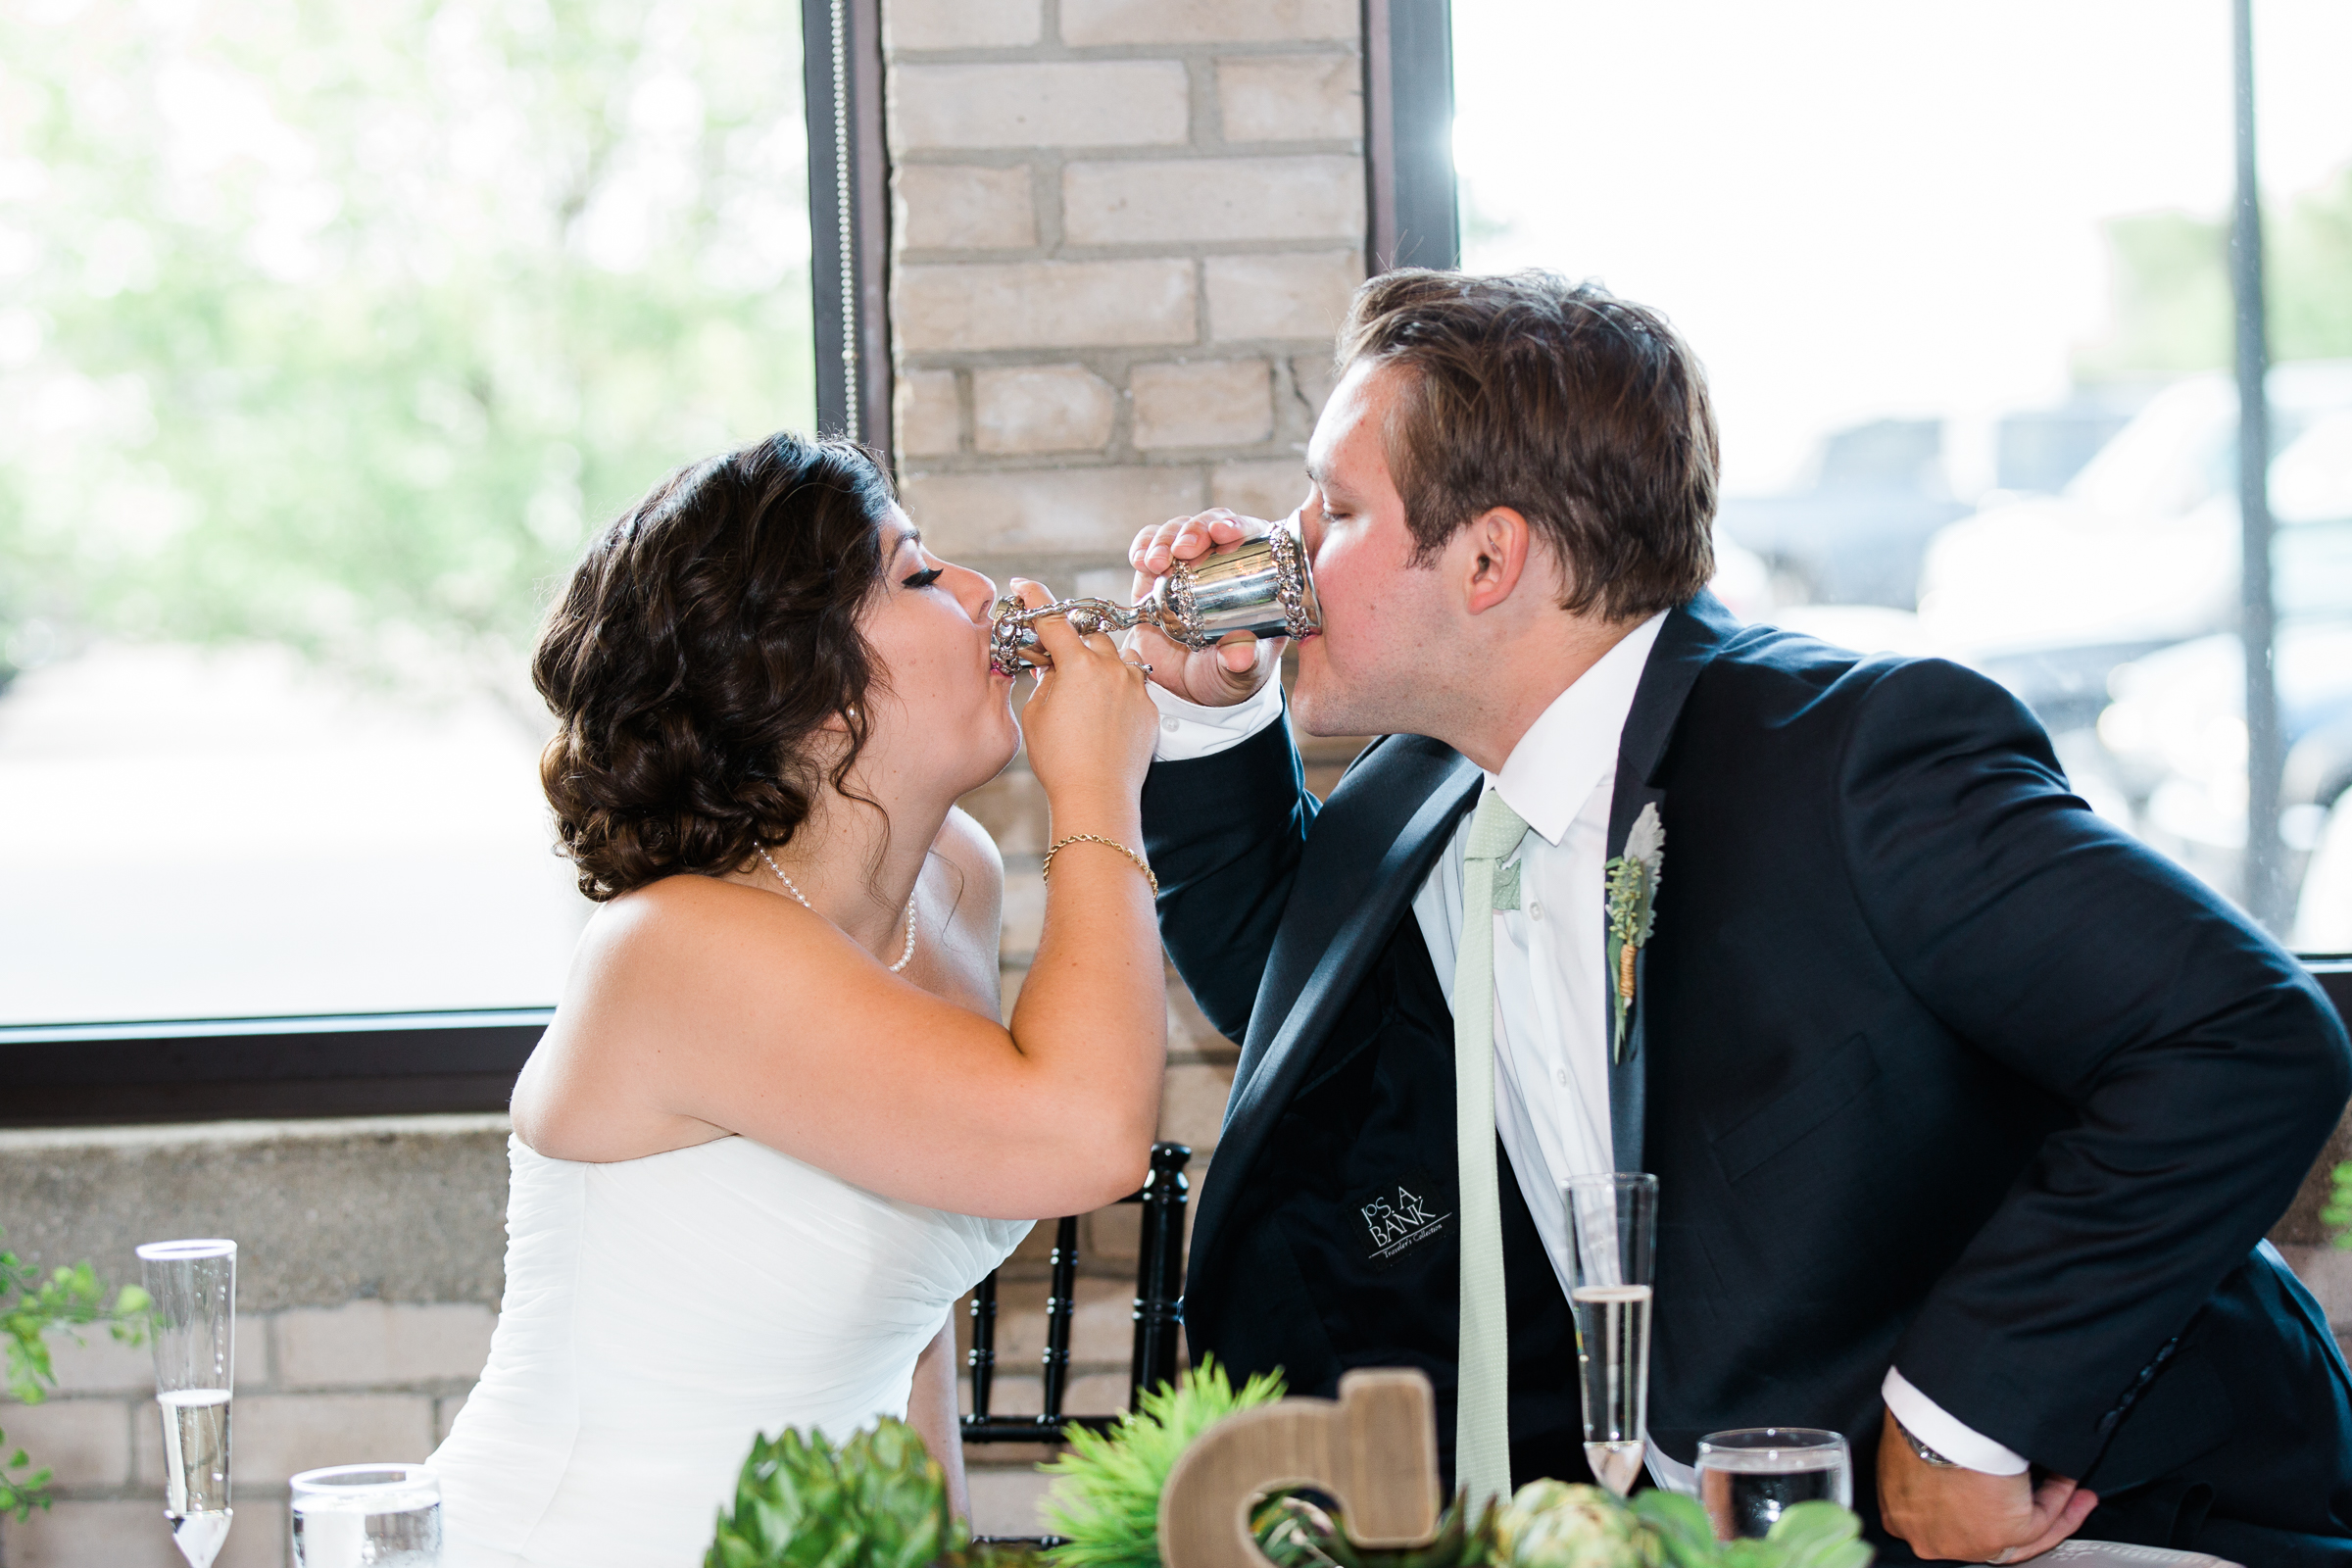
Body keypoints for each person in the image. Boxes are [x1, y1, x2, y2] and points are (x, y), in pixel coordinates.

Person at [1129, 270, 2352, 1563]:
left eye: (1335, 509)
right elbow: (1293, 1001)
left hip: (2100, 1514)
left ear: (1490, 557)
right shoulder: (1432, 784)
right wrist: (1213, 717)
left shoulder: (1856, 757)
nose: (1287, 550)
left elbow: (2244, 1034)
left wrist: (1960, 1427)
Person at [427, 433, 1166, 1568]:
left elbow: (907, 1338)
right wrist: (1098, 790)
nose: (982, 593)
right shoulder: (675, 948)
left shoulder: (953, 874)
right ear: (807, 690)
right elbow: (1089, 1134)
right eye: (919, 574)